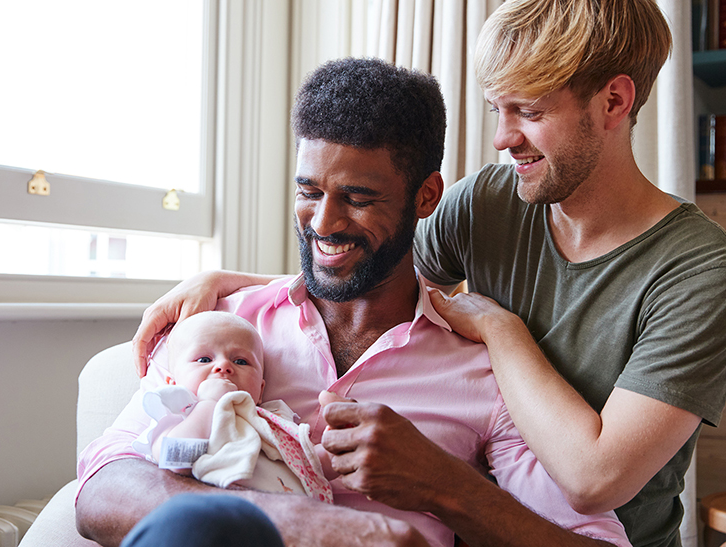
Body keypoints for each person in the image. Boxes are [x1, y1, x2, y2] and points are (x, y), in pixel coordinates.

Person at [129, 2, 726, 547]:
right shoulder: (493, 201)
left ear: (614, 101)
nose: (503, 139)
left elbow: (594, 479)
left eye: (528, 111)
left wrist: (502, 333)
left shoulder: (699, 270)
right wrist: (234, 282)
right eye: (498, 110)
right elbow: (373, 265)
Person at [76, 57, 632, 547]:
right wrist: (311, 527)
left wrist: (447, 488)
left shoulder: (483, 373)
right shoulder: (223, 325)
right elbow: (102, 489)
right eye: (308, 192)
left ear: (426, 197)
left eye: (358, 199)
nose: (324, 224)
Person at [132, 310, 333, 501]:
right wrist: (209, 403)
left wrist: (335, 448)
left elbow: (308, 463)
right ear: (173, 383)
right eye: (204, 359)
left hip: (291, 521)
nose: (224, 366)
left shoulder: (272, 418)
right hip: (217, 516)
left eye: (241, 361)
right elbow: (177, 460)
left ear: (260, 391)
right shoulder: (177, 415)